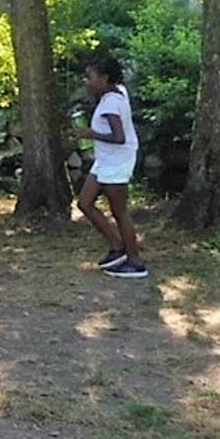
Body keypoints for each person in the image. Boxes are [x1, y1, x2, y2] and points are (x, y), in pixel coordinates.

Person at [73, 57, 148, 278]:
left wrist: (91, 134)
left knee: (120, 211)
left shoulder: (111, 104)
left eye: (90, 77)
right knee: (85, 202)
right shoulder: (117, 91)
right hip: (105, 160)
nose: (86, 81)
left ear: (105, 78)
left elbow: (119, 137)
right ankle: (117, 246)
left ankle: (135, 262)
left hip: (117, 162)